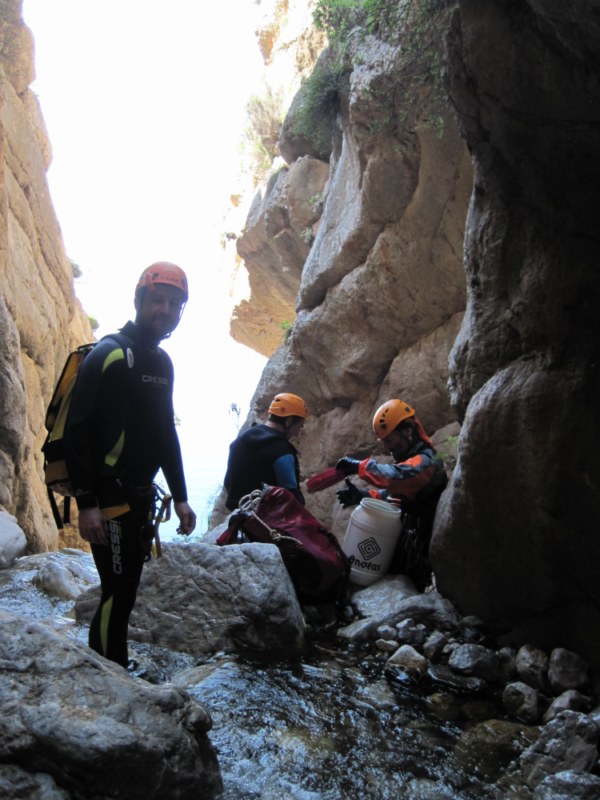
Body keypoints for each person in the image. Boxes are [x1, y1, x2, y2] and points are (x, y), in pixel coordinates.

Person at [64, 261, 196, 668]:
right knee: (117, 591)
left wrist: (181, 497)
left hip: (138, 497)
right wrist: (87, 503)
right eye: (158, 300)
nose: (166, 310)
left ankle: (113, 667)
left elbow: (165, 432)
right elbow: (76, 431)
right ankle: (105, 674)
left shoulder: (162, 363)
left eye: (174, 304)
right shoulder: (110, 355)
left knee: (126, 589)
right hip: (108, 500)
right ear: (140, 300)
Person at [336, 398, 447, 590]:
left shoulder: (428, 461)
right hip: (412, 547)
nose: (387, 447)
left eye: (390, 440)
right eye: (384, 442)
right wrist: (363, 496)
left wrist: (359, 467)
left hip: (425, 550)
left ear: (408, 431)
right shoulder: (413, 460)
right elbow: (394, 495)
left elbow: (397, 477)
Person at [224, 392, 308, 511]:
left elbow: (228, 483)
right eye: (299, 426)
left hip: (237, 514)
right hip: (265, 518)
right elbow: (292, 499)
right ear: (289, 421)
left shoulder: (242, 438)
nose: (297, 433)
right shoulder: (282, 450)